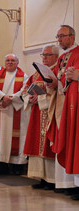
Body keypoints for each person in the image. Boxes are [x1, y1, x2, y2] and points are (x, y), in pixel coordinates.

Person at [47, 25, 79, 196]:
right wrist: (54, 84)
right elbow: (64, 81)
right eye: (57, 36)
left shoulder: (78, 53)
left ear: (72, 37)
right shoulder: (63, 57)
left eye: (62, 36)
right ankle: (71, 184)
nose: (58, 39)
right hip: (66, 105)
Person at [21, 44, 59, 190]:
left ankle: (51, 179)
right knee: (37, 145)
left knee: (49, 146)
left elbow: (59, 94)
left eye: (47, 55)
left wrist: (41, 99)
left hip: (51, 115)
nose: (44, 58)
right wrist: (29, 98)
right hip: (37, 116)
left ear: (56, 56)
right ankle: (41, 178)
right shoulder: (36, 74)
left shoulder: (56, 72)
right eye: (42, 55)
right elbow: (24, 91)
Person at [0, 53, 30, 175]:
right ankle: (2, 165)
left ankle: (17, 166)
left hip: (15, 110)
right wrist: (3, 97)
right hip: (2, 110)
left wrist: (11, 98)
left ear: (17, 62)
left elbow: (25, 89)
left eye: (13, 60)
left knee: (18, 137)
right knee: (2, 137)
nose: (10, 62)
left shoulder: (23, 76)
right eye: (8, 60)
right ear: (4, 62)